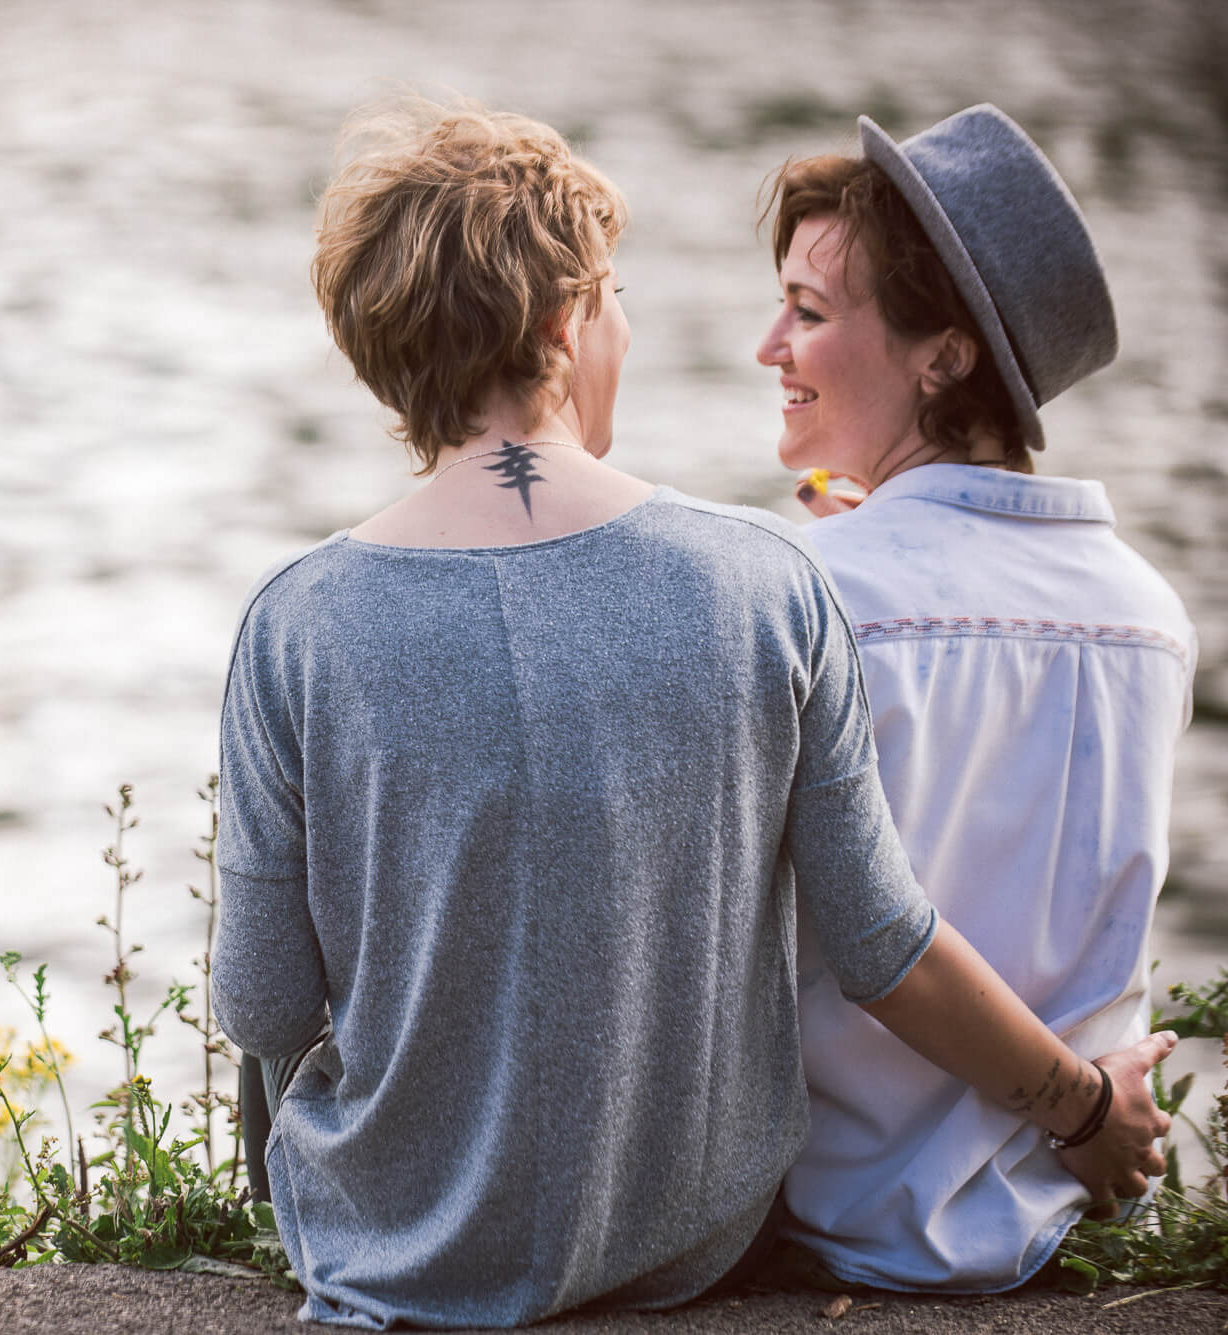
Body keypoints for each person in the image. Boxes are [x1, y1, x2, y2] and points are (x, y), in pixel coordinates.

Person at [210, 95, 1173, 1328]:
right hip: (686, 1241)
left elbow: (263, 1007)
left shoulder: (293, 621)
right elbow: (880, 939)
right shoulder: (766, 580)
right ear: (564, 323)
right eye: (613, 300)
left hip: (395, 1251)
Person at [754, 105, 1197, 1292]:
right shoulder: (1149, 615)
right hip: (1081, 1212)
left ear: (940, 357)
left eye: (806, 313)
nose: (767, 348)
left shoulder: (799, 594)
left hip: (831, 1224)